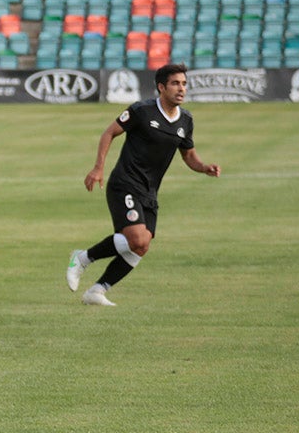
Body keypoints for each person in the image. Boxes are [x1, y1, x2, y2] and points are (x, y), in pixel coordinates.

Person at [66, 63, 221, 306]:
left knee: (141, 246)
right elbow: (109, 133)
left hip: (150, 191)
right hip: (124, 183)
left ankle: (97, 290)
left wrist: (204, 167)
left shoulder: (186, 120)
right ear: (161, 87)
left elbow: (189, 156)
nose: (181, 89)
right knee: (137, 239)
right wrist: (98, 167)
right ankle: (82, 258)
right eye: (175, 83)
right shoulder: (142, 110)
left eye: (184, 84)